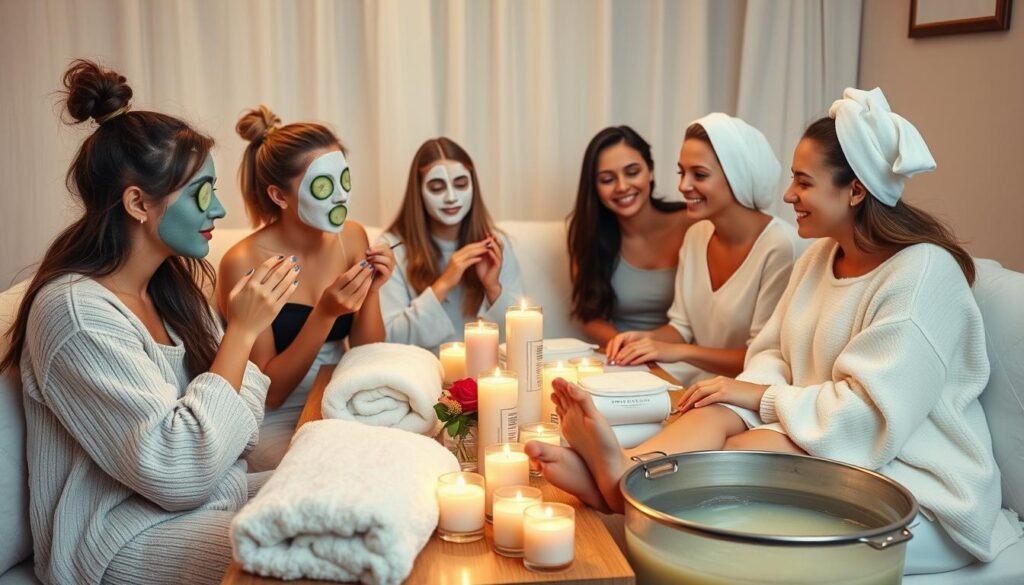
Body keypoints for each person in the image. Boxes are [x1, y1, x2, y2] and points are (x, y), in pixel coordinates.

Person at [531, 88, 1021, 574]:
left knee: (747, 444)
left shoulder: (922, 275)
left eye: (803, 183)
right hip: (824, 436)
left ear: (855, 190)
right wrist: (742, 394)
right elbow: (771, 353)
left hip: (915, 485)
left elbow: (867, 419)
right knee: (718, 405)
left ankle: (624, 484)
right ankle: (629, 465)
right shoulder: (819, 258)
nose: (789, 195)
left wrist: (759, 397)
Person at [0, 60, 294, 584]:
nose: (220, 209)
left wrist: (228, 371)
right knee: (307, 549)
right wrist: (243, 332)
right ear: (138, 202)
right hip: (115, 542)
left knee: (343, 480)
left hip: (197, 505)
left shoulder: (171, 289)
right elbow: (182, 468)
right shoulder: (73, 316)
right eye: (203, 191)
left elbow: (237, 434)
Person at [217, 105, 394, 472]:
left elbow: (367, 351)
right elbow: (272, 393)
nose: (341, 197)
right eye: (324, 186)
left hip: (342, 393)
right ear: (280, 197)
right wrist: (326, 313)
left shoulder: (352, 236)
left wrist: (372, 291)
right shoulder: (243, 261)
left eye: (344, 181)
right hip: (276, 414)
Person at [606, 114, 801, 385]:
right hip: (695, 379)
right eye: (681, 172)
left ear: (737, 177)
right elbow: (681, 327)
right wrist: (646, 338)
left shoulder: (781, 247)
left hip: (744, 391)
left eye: (699, 174)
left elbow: (761, 357)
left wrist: (678, 351)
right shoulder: (697, 235)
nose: (683, 186)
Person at [377, 137, 522, 353]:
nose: (451, 197)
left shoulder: (496, 245)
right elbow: (388, 340)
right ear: (418, 193)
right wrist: (443, 284)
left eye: (461, 184)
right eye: (437, 188)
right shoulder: (391, 249)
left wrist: (493, 288)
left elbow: (521, 337)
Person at [567, 126, 692, 347]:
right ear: (594, 187)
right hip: (623, 356)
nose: (622, 186)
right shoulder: (588, 233)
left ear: (650, 171)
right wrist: (626, 346)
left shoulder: (692, 223)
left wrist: (657, 349)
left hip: (683, 354)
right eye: (607, 179)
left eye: (632, 172)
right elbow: (589, 315)